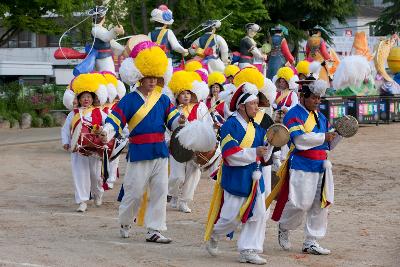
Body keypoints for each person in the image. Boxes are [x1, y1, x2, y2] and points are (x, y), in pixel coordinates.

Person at [100, 41, 182, 243]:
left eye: (155, 78)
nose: (153, 82)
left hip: (160, 152)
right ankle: (125, 221)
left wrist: (180, 121)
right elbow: (115, 120)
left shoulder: (163, 99)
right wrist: (107, 131)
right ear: (139, 77)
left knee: (160, 192)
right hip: (138, 152)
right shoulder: (128, 100)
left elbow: (172, 121)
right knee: (134, 193)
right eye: (148, 78)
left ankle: (155, 229)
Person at [204, 80, 274, 265]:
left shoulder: (259, 128)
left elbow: (265, 156)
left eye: (257, 103)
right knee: (230, 217)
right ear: (242, 106)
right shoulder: (230, 126)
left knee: (259, 214)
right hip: (236, 178)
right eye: (253, 103)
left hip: (255, 178)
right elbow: (229, 154)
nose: (257, 107)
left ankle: (248, 250)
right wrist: (254, 152)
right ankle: (215, 233)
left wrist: (271, 145)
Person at [270, 78, 342, 255]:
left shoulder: (321, 116)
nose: (317, 101)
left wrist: (340, 133)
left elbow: (329, 144)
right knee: (300, 203)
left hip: (322, 165)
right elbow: (300, 140)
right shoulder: (293, 114)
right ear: (303, 96)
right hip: (302, 164)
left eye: (319, 98)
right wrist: (325, 137)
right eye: (314, 98)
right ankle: (284, 226)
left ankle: (311, 241)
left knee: (320, 203)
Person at [61, 73, 109, 212]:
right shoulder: (73, 113)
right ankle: (82, 201)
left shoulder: (99, 112)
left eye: (88, 96)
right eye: (83, 97)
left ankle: (98, 193)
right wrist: (66, 142)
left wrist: (103, 131)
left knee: (95, 175)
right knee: (80, 175)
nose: (86, 99)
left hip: (94, 149)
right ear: (79, 99)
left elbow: (109, 124)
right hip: (77, 149)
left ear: (93, 98)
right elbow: (65, 129)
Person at [167, 70, 213, 213]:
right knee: (177, 176)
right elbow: (167, 128)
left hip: (195, 147)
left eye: (188, 92)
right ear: (177, 96)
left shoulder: (201, 107)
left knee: (192, 175)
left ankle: (184, 201)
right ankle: (173, 194)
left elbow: (208, 124)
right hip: (177, 148)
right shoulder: (172, 109)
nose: (186, 96)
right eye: (182, 93)